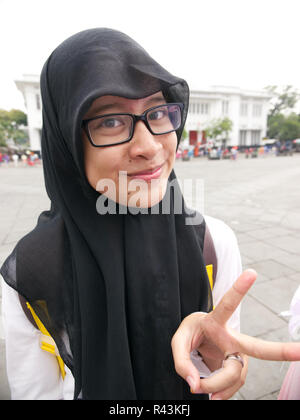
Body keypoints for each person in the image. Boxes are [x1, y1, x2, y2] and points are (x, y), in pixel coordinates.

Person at [1, 28, 300, 401]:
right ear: (66, 142)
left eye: (157, 113)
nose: (149, 146)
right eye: (110, 121)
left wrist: (229, 361)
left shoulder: (211, 242)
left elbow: (223, 351)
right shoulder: (33, 272)